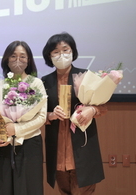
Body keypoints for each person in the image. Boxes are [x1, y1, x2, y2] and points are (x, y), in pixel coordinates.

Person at [41, 32, 107, 195]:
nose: (61, 54)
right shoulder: (44, 81)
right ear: (49, 56)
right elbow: (37, 114)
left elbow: (103, 106)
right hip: (57, 151)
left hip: (82, 149)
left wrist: (92, 110)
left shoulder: (85, 76)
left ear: (73, 51)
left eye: (65, 49)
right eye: (55, 51)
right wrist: (50, 115)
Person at [0, 41, 47, 195]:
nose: (18, 60)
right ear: (6, 60)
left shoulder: (36, 84)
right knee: (4, 188)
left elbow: (41, 117)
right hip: (6, 144)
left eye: (22, 56)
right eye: (13, 56)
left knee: (30, 187)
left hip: (31, 143)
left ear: (29, 60)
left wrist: (16, 129)